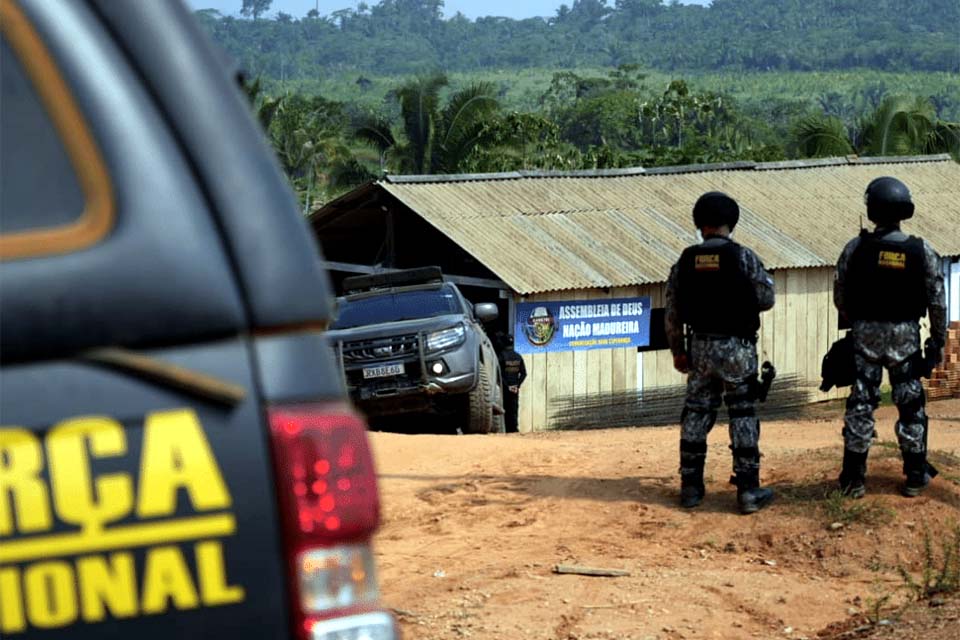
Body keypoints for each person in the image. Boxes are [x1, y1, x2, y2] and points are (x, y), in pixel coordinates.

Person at [834, 177, 947, 498]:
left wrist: (859, 320)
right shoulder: (921, 250)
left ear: (871, 210)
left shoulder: (855, 247)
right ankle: (914, 474)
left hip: (865, 337)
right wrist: (937, 340)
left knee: (860, 404)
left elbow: (839, 293)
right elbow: (937, 300)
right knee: (910, 405)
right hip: (905, 338)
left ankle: (854, 479)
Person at [664, 192, 776, 514]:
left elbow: (671, 313)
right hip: (737, 349)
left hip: (699, 347)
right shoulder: (743, 257)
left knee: (697, 412)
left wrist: (678, 352)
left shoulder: (684, 261)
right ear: (732, 222)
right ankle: (748, 491)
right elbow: (766, 298)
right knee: (741, 412)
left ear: (699, 225)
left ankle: (691, 488)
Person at [496, 332, 527, 433]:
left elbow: (499, 374)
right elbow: (524, 373)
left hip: (504, 389)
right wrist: (517, 385)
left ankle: (506, 430)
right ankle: (514, 430)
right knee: (514, 410)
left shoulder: (501, 356)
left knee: (504, 409)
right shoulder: (518, 357)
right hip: (514, 389)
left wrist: (507, 387)